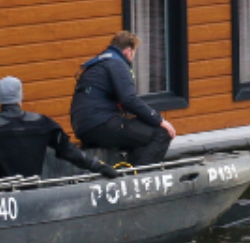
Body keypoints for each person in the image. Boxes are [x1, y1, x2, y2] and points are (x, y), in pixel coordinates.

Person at [71, 31, 178, 168]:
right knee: (161, 134)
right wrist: (159, 120)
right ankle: (138, 178)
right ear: (128, 51)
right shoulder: (117, 64)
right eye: (134, 53)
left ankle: (128, 170)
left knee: (136, 134)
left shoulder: (100, 62)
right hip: (102, 124)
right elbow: (129, 99)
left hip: (83, 127)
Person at [0, 76, 117, 180]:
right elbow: (69, 151)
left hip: (0, 199)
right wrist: (99, 167)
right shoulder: (41, 123)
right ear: (20, 96)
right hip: (33, 190)